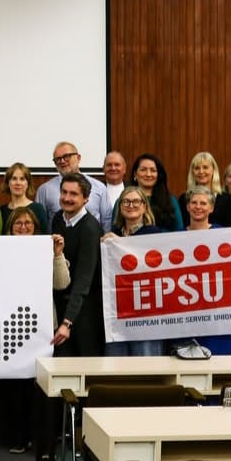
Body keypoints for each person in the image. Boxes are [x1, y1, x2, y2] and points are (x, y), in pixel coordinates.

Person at [5, 206, 70, 453]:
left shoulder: (45, 250)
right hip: (11, 324)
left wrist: (57, 255)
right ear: (10, 229)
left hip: (42, 326)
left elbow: (62, 284)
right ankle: (19, 437)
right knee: (16, 386)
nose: (23, 228)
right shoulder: (0, 250)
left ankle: (43, 441)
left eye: (28, 224)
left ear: (36, 228)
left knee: (42, 386)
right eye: (18, 224)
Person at [103, 186, 165, 356]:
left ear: (144, 206)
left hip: (146, 311)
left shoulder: (154, 233)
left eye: (136, 201)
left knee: (145, 362)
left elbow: (151, 265)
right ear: (120, 207)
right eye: (126, 202)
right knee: (116, 363)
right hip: (118, 311)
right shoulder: (113, 234)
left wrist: (120, 243)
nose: (131, 205)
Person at [49, 173, 104, 357]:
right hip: (62, 308)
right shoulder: (58, 218)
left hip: (83, 315)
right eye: (64, 192)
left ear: (86, 198)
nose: (67, 198)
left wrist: (67, 322)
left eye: (73, 194)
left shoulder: (90, 228)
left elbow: (83, 280)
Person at [182, 186, 231, 355]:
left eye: (203, 203)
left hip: (217, 313)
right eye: (194, 203)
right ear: (187, 207)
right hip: (186, 313)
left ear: (211, 208)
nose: (198, 207)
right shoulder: (175, 237)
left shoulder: (226, 235)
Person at [37, 142, 111, 229]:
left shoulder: (99, 187)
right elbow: (39, 224)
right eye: (58, 159)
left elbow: (107, 221)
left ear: (78, 157)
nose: (62, 161)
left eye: (67, 156)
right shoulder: (45, 190)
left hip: (92, 236)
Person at [178, 151, 231, 227]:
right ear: (192, 172)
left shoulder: (226, 199)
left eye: (205, 167)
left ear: (213, 170)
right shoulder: (184, 198)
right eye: (197, 168)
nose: (201, 171)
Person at [126, 153, 182, 232]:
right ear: (135, 174)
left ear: (158, 175)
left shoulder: (170, 200)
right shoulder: (124, 200)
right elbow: (116, 229)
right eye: (143, 170)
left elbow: (179, 231)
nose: (148, 174)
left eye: (153, 170)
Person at [0, 162, 48, 233]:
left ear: (28, 184)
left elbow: (45, 236)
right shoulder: (1, 211)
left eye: (22, 179)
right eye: (14, 179)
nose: (18, 183)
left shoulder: (38, 209)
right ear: (8, 183)